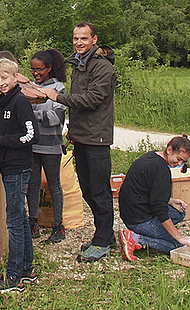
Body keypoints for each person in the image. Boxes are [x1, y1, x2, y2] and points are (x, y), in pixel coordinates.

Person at [40, 21, 117, 262]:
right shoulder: (79, 64)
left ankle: (103, 240)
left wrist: (59, 97)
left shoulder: (102, 68)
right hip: (82, 137)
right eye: (75, 38)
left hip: (97, 138)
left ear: (94, 40)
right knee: (87, 189)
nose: (79, 43)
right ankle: (105, 234)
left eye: (84, 38)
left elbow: (93, 99)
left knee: (100, 190)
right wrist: (72, 129)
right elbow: (81, 104)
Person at [0, 58, 38, 293]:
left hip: (18, 168)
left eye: (4, 78)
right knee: (20, 218)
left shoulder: (19, 102)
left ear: (15, 77)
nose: (1, 83)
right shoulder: (4, 102)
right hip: (9, 166)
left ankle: (13, 277)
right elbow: (13, 133)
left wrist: (2, 141)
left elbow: (31, 135)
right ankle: (27, 270)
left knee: (14, 222)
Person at [118, 135, 190, 257]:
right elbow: (160, 209)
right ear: (169, 150)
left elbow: (148, 191)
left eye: (183, 161)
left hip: (130, 212)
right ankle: (136, 238)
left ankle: (154, 232)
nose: (179, 164)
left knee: (180, 213)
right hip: (139, 220)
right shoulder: (161, 171)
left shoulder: (151, 156)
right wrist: (179, 237)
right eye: (179, 159)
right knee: (180, 247)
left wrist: (170, 201)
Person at [26, 49, 67, 243]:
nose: (35, 73)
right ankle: (32, 222)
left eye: (39, 69)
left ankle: (58, 226)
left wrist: (31, 117)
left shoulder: (58, 89)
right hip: (32, 146)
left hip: (51, 146)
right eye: (33, 70)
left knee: (54, 186)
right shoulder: (29, 86)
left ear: (49, 68)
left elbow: (55, 117)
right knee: (32, 185)